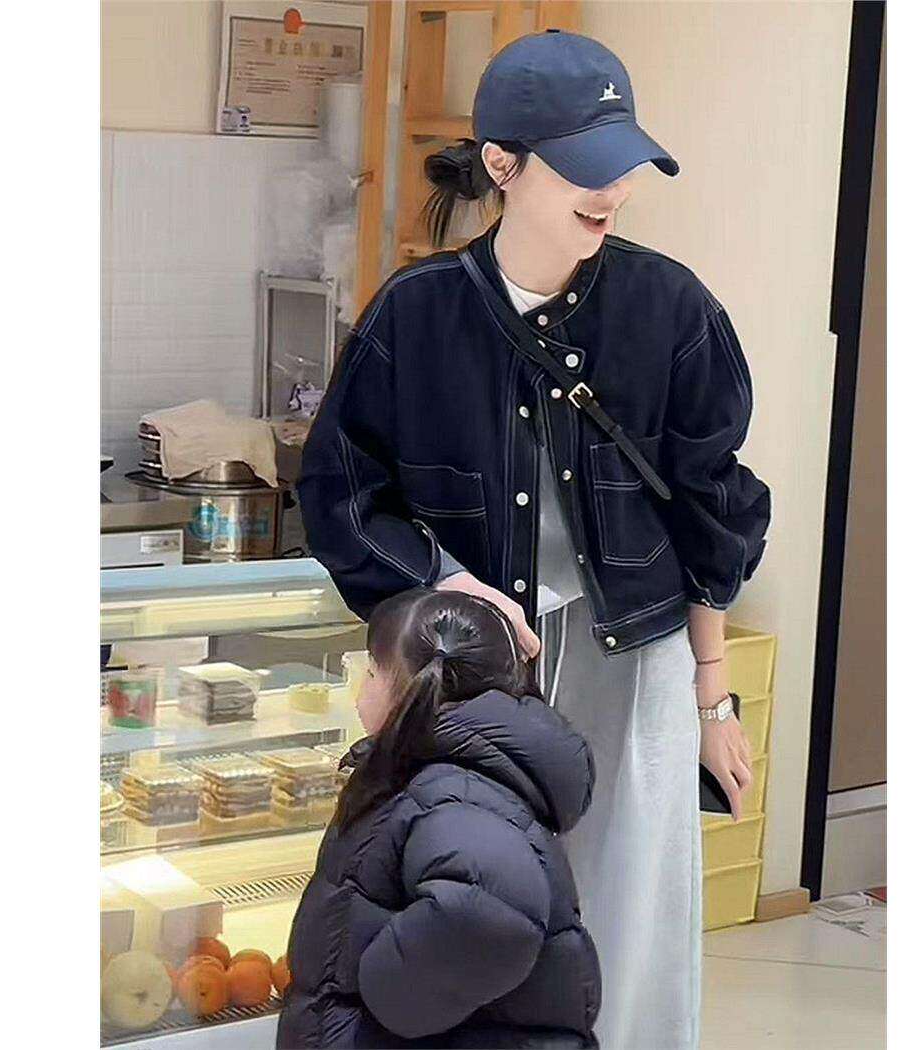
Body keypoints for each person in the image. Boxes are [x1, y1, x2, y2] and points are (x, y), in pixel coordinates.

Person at [297, 29, 771, 1050]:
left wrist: (712, 698)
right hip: (477, 681)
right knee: (479, 918)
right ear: (503, 166)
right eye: (585, 166)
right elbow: (341, 492)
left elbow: (712, 509)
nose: (615, 190)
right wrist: (449, 582)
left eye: (624, 161)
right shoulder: (416, 315)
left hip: (633, 666)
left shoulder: (671, 308)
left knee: (634, 924)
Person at [276, 587, 601, 1049]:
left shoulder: (454, 791)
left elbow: (488, 908)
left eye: (372, 673)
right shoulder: (436, 773)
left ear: (412, 687)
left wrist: (390, 992)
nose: (361, 689)